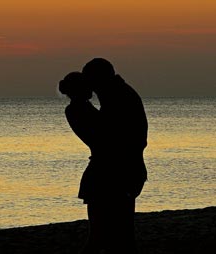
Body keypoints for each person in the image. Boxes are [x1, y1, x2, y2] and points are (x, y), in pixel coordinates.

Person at [80, 58, 148, 253]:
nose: (90, 87)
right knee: (118, 235)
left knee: (114, 236)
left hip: (121, 172)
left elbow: (116, 139)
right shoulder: (117, 95)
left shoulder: (118, 97)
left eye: (90, 80)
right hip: (124, 171)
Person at [59, 72, 105, 253]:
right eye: (86, 85)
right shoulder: (77, 109)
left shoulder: (81, 107)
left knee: (98, 230)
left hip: (98, 166)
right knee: (97, 233)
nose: (91, 89)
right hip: (100, 167)